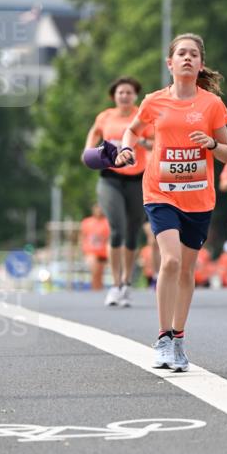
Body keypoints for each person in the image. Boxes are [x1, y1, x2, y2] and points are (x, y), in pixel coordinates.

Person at [115, 33, 227, 371]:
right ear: (170, 63)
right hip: (160, 192)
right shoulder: (154, 101)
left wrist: (210, 143)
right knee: (170, 261)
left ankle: (179, 338)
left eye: (193, 54)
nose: (187, 58)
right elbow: (133, 131)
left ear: (200, 64)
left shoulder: (211, 105)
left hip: (198, 196)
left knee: (187, 270)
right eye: (181, 53)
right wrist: (126, 148)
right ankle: (163, 337)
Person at [82, 76, 152, 307]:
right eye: (120, 92)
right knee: (117, 229)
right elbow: (94, 132)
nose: (124, 96)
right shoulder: (106, 116)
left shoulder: (141, 117)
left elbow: (155, 141)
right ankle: (115, 284)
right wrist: (88, 150)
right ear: (114, 96)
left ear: (135, 96)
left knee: (132, 233)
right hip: (110, 178)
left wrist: (142, 143)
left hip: (136, 179)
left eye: (129, 93)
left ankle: (126, 283)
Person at [79, 203, 110, 291]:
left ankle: (98, 289)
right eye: (97, 208)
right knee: (95, 270)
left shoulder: (107, 222)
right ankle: (95, 289)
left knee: (100, 273)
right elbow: (82, 236)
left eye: (100, 209)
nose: (99, 211)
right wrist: (83, 249)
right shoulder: (87, 222)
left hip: (104, 253)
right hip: (91, 252)